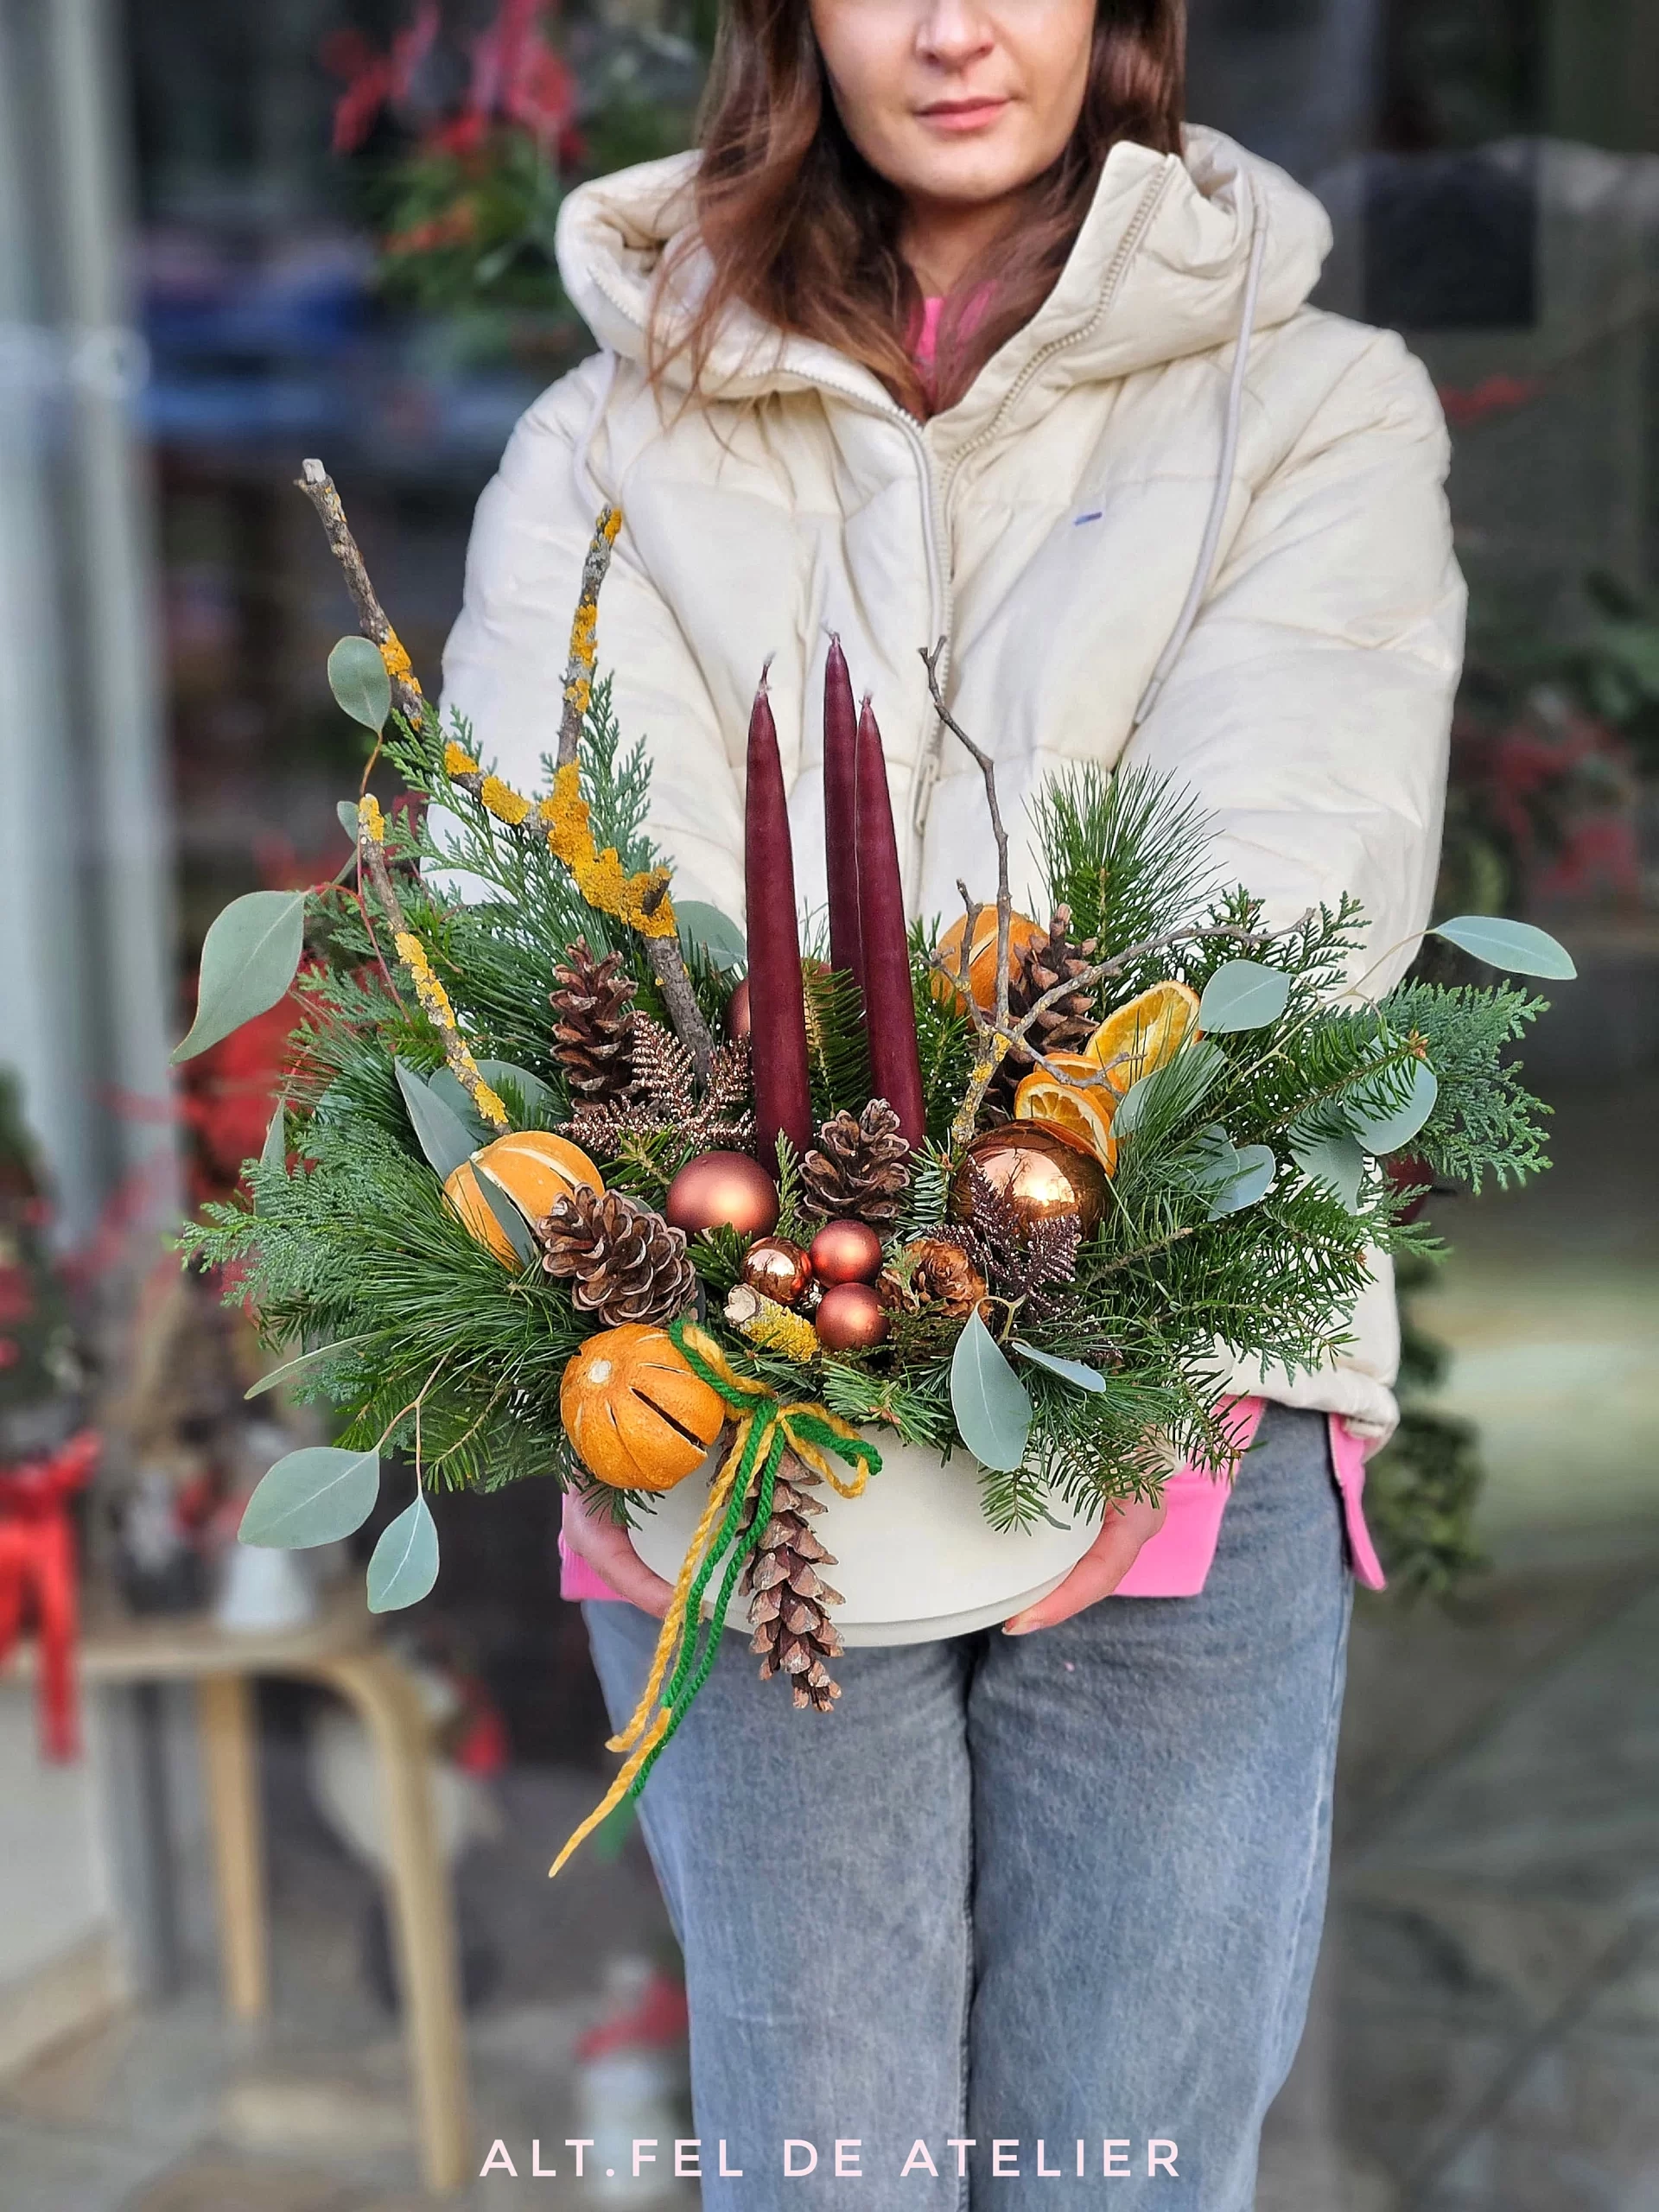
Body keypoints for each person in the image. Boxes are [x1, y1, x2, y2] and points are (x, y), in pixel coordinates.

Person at [442, 0, 1462, 2198]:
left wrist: (1078, 1300)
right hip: (736, 1411)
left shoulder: (1310, 406)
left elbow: (1285, 881)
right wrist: (793, 1262)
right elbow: (552, 914)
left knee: (1123, 2163)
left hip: (1177, 1406)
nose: (954, 26)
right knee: (826, 2165)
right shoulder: (608, 438)